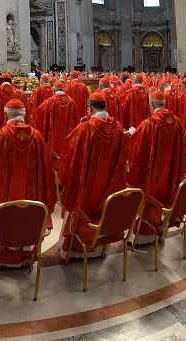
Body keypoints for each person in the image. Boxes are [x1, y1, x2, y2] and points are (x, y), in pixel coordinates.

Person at [0, 99, 56, 261]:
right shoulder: (37, 138)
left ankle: (0, 251)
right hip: (31, 195)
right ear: (25, 115)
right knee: (29, 211)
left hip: (3, 196)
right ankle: (26, 245)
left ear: (5, 115)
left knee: (2, 210)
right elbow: (46, 169)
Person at [57, 92, 128, 254]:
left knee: (80, 205)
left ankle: (74, 252)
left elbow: (69, 157)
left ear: (89, 108)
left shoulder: (84, 129)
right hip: (109, 187)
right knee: (104, 208)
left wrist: (67, 180)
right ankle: (101, 249)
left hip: (85, 188)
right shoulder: (118, 128)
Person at [129, 91, 186, 240]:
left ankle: (143, 236)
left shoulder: (149, 123)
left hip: (153, 175)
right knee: (167, 192)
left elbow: (137, 149)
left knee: (149, 193)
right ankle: (163, 228)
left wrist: (131, 137)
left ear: (152, 104)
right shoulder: (177, 122)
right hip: (170, 173)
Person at [32, 82, 78, 165]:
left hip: (52, 141)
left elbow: (38, 115)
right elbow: (76, 121)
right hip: (67, 138)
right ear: (64, 90)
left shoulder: (48, 102)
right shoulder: (72, 102)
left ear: (53, 90)